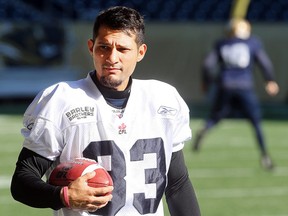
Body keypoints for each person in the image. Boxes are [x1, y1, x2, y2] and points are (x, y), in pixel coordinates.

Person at [10, 6, 201, 216]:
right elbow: (22, 180)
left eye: (123, 49)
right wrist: (63, 196)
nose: (112, 57)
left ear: (141, 52)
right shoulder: (61, 99)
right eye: (104, 47)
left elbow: (177, 185)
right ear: (91, 47)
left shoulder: (163, 99)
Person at [192, 18, 279, 170]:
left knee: (216, 116)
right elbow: (264, 63)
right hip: (244, 85)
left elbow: (207, 65)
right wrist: (270, 80)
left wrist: (206, 82)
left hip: (225, 85)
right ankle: (265, 155)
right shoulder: (252, 43)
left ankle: (206, 127)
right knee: (256, 121)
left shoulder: (222, 43)